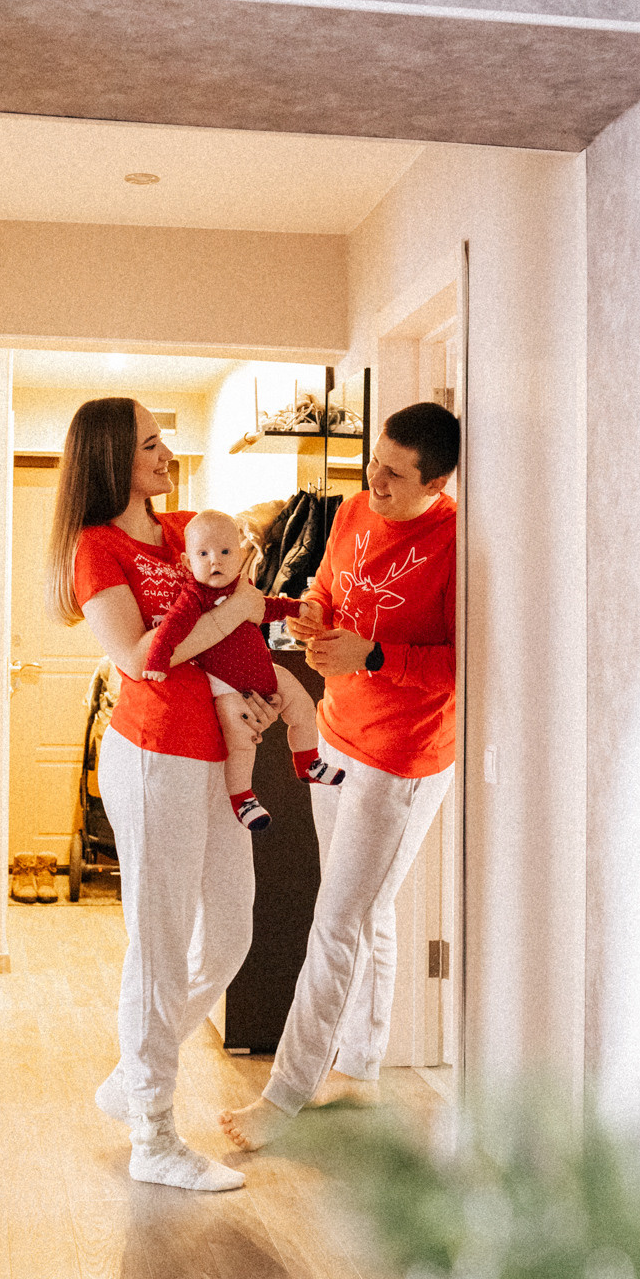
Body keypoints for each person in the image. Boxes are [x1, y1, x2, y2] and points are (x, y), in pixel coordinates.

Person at [47, 397, 280, 1191]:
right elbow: (141, 656)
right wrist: (241, 608)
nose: (164, 452)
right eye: (149, 443)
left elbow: (227, 629)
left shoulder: (186, 531)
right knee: (158, 941)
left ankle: (130, 1074)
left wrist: (254, 680)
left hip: (216, 755)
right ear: (113, 458)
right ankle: (153, 1135)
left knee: (229, 936)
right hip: (152, 760)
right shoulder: (95, 548)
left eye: (162, 439)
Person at [220, 401, 460, 1151]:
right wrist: (316, 613)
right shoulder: (355, 507)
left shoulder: (457, 541)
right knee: (366, 913)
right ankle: (358, 1068)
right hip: (335, 738)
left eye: (393, 474)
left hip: (401, 759)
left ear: (436, 480)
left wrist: (375, 655)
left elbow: (464, 665)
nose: (373, 480)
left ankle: (285, 1098)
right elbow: (327, 580)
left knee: (337, 923)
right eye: (373, 462)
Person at [143, 508, 345, 831]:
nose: (215, 561)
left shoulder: (243, 587)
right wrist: (156, 660)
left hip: (265, 671)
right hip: (227, 687)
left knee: (304, 704)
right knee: (241, 741)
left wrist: (296, 607)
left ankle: (308, 761)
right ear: (186, 562)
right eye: (203, 554)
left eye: (225, 552)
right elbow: (171, 630)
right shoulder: (194, 597)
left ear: (239, 554)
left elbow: (266, 607)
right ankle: (242, 798)